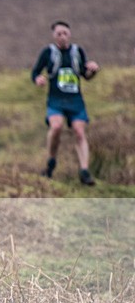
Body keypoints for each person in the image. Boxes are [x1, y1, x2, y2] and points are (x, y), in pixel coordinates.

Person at [31, 21, 100, 185]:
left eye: (65, 33)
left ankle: (84, 171)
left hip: (75, 101)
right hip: (56, 100)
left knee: (79, 132)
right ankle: (51, 162)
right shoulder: (48, 52)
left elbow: (85, 75)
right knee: (56, 127)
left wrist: (93, 71)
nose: (62, 37)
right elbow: (35, 71)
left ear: (69, 34)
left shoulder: (77, 52)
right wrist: (37, 79)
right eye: (58, 34)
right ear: (54, 36)